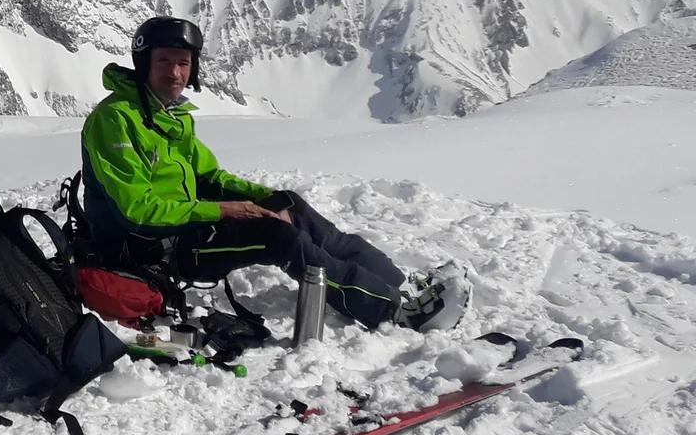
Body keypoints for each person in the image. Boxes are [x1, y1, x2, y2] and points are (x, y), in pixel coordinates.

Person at [77, 16, 467, 333]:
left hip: (180, 227)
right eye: (164, 61)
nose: (175, 73)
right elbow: (138, 211)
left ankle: (396, 285)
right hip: (149, 249)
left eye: (183, 62)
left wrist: (267, 199)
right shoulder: (115, 120)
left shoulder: (169, 116)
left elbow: (210, 177)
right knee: (277, 236)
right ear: (144, 63)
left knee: (289, 208)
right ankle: (395, 314)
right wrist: (228, 211)